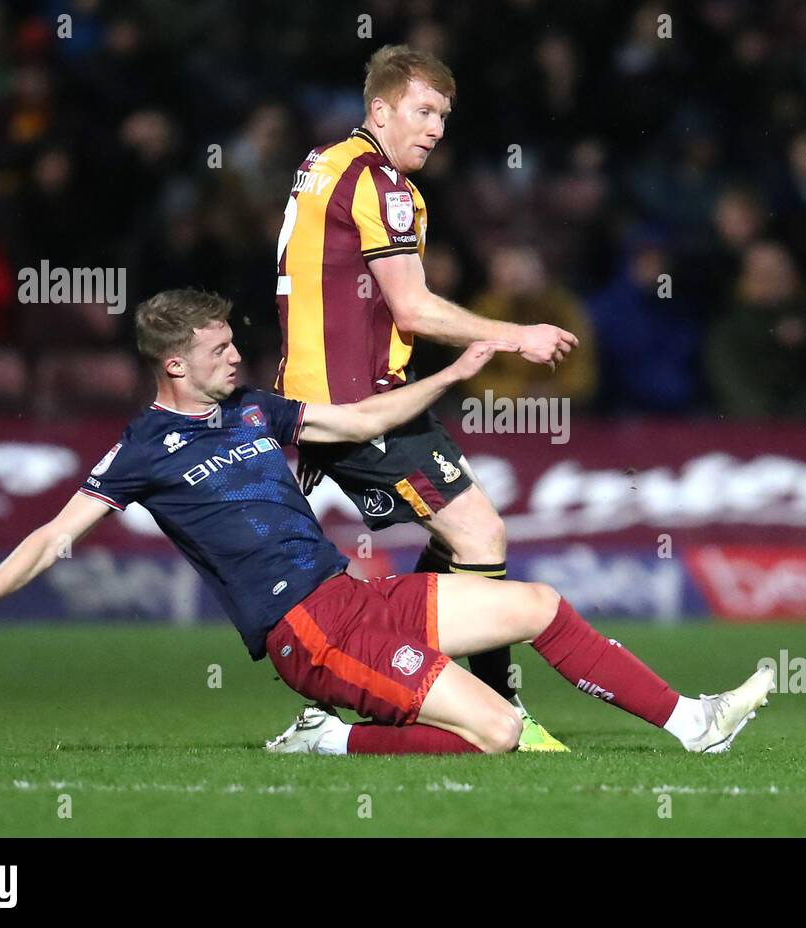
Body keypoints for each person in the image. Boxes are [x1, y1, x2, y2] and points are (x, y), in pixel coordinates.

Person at [0, 289, 773, 756]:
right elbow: (55, 534)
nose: (237, 354)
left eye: (233, 342)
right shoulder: (140, 450)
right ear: (174, 364)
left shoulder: (251, 409)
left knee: (538, 602)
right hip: (305, 634)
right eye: (218, 350)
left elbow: (356, 423)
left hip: (355, 597)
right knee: (499, 735)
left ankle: (693, 725)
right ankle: (334, 739)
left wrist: (463, 366)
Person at [272, 45, 579, 750]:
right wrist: (515, 334)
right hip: (359, 401)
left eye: (443, 114)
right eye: (423, 110)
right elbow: (411, 308)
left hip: (330, 396)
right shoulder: (381, 184)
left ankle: (394, 677)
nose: (436, 128)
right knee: (481, 536)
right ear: (379, 110)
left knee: (460, 540)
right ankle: (498, 712)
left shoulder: (321, 164)